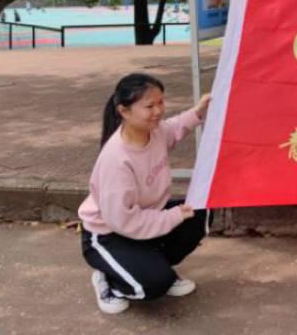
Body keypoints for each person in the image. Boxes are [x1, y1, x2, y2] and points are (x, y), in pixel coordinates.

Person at [78, 73, 212, 314]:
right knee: (154, 285)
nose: (158, 111)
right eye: (149, 106)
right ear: (124, 111)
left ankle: (151, 268)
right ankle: (110, 279)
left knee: (200, 210)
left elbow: (174, 128)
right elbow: (123, 221)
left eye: (161, 102)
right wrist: (172, 216)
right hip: (108, 234)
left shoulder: (154, 131)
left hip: (144, 217)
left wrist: (199, 111)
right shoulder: (116, 160)